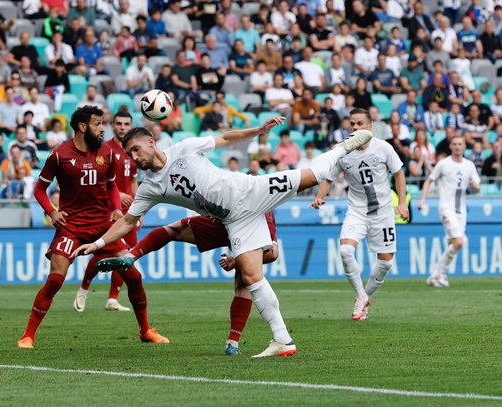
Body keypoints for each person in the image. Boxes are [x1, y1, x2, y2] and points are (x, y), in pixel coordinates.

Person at [72, 115, 374, 357]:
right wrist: (98, 244)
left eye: (136, 149)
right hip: (234, 220)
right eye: (129, 154)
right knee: (252, 276)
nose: (133, 157)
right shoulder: (150, 187)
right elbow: (128, 220)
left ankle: (341, 148)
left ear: (150, 142)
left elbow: (226, 138)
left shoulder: (186, 147)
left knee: (311, 177)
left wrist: (258, 129)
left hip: (249, 191)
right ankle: (283, 340)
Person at [17, 105, 169, 349]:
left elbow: (110, 185)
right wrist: (52, 211)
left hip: (102, 227)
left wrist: (117, 207)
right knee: (55, 280)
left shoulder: (106, 153)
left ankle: (145, 330)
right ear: (82, 127)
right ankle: (27, 336)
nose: (102, 129)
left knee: (135, 276)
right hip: (72, 227)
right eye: (98, 124)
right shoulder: (59, 155)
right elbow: (39, 189)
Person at [310, 108, 409, 320]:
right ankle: (360, 295)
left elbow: (399, 173)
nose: (355, 128)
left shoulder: (383, 148)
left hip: (382, 212)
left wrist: (402, 202)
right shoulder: (342, 151)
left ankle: (365, 298)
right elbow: (328, 178)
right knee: (346, 250)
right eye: (352, 124)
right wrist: (319, 196)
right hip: (357, 211)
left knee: (385, 263)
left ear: (370, 127)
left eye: (360, 124)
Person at [74, 112, 139, 313]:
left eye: (126, 124)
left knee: (126, 255)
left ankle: (112, 299)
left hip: (129, 211)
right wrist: (118, 195)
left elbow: (133, 181)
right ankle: (84, 288)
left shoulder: (134, 150)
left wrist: (140, 209)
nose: (122, 127)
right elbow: (100, 182)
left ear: (131, 126)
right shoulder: (105, 149)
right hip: (109, 210)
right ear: (113, 126)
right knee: (107, 250)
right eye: (118, 124)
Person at [418, 136, 480, 288]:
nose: (457, 147)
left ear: (465, 146)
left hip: (461, 211)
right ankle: (438, 273)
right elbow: (429, 180)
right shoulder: (443, 164)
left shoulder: (469, 165)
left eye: (460, 144)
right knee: (459, 241)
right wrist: (422, 200)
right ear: (450, 146)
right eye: (455, 144)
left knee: (456, 243)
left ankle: (438, 275)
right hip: (446, 208)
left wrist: (475, 185)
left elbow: (477, 188)